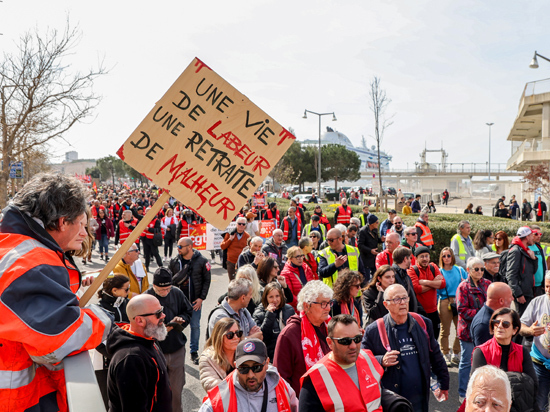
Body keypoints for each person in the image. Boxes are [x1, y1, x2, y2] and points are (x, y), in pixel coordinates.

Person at [0, 172, 116, 411]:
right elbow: (62, 336)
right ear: (62, 222)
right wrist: (105, 317)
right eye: (82, 224)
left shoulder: (14, 245)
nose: (85, 233)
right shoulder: (32, 260)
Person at [361, 284, 450, 412]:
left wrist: (444, 383)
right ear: (386, 305)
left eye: (404, 298)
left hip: (420, 397)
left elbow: (435, 355)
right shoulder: (374, 330)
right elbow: (362, 362)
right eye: (397, 299)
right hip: (393, 400)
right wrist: (381, 360)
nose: (402, 302)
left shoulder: (423, 322)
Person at [299, 314, 383, 411]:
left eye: (357, 339)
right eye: (345, 341)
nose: (353, 346)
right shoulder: (315, 378)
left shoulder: (368, 358)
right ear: (330, 343)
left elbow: (378, 394)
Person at [107, 294, 171, 412]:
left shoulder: (148, 339)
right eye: (158, 313)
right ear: (139, 320)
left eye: (162, 310)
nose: (163, 315)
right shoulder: (131, 359)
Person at [199, 338, 298, 412]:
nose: (250, 375)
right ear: (235, 366)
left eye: (257, 368)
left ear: (267, 363)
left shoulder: (281, 387)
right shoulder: (220, 398)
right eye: (244, 369)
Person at [145, 268, 193, 412]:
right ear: (154, 286)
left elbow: (188, 311)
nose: (165, 292)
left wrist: (181, 320)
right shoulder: (146, 298)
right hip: (154, 351)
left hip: (176, 348)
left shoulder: (177, 293)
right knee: (155, 391)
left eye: (168, 288)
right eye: (161, 290)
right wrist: (165, 328)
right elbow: (141, 327)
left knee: (176, 390)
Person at [273, 280, 333, 396]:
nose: (328, 308)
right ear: (307, 305)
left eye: (329, 303)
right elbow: (281, 378)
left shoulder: (330, 326)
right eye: (323, 304)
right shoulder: (289, 334)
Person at [472, 308, 538, 412]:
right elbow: (476, 388)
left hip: (518, 407)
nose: (499, 326)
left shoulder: (522, 351)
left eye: (505, 324)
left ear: (515, 330)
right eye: (496, 322)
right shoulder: (481, 352)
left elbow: (533, 385)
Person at [456, 257, 491, 402]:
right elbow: (462, 310)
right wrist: (483, 314)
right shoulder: (463, 287)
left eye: (482, 269)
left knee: (485, 361)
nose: (480, 271)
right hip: (468, 331)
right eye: (476, 269)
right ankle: (463, 392)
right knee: (466, 361)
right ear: (469, 270)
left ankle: (481, 389)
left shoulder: (488, 284)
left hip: (486, 330)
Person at [520, 272, 550, 410]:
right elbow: (520, 326)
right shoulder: (537, 302)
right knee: (539, 402)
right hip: (539, 363)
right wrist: (530, 331)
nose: (548, 290)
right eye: (547, 286)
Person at [438, 247, 467, 366]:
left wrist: (463, 281)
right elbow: (436, 290)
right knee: (445, 330)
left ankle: (456, 353)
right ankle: (445, 353)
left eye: (448, 255)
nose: (446, 258)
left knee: (461, 329)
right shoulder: (439, 272)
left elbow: (468, 283)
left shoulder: (459, 270)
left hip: (459, 300)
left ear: (452, 257)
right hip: (445, 300)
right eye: (444, 256)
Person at [407, 246, 446, 338]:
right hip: (420, 312)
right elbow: (417, 289)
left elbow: (443, 284)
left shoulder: (433, 267)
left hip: (434, 311)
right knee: (422, 338)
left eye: (427, 256)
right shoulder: (412, 270)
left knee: (434, 337)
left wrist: (425, 282)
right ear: (416, 258)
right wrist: (434, 282)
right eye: (422, 256)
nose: (425, 259)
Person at [253, 282, 295, 360]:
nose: (275, 300)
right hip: (272, 355)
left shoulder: (289, 309)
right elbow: (263, 336)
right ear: (266, 298)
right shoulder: (259, 313)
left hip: (290, 352)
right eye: (271, 297)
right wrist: (269, 315)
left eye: (277, 296)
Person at [199, 317, 242, 392]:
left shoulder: (245, 351)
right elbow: (211, 385)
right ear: (219, 337)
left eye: (238, 333)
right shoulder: (207, 358)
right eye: (230, 335)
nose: (236, 337)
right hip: (224, 401)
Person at [505, 226, 538, 318]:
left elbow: (533, 271)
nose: (533, 238)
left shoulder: (525, 250)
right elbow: (511, 275)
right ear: (527, 237)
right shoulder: (516, 251)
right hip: (522, 294)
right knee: (522, 320)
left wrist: (534, 259)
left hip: (528, 292)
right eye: (532, 235)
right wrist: (518, 294)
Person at [470, 282, 514, 347]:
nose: (513, 299)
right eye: (510, 297)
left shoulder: (494, 316)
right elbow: (485, 354)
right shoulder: (483, 324)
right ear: (501, 301)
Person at [280, 246, 315, 310]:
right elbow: (290, 296)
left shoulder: (306, 268)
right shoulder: (285, 273)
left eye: (301, 256)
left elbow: (313, 286)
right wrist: (303, 303)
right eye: (297, 257)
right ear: (290, 258)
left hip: (310, 305)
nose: (300, 258)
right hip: (297, 308)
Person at [391, 246, 423, 313]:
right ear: (405, 259)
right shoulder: (392, 276)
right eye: (410, 258)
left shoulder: (404, 274)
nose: (411, 261)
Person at [221, 216, 250, 281]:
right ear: (236, 224)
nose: (241, 225)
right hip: (231, 261)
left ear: (245, 225)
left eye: (243, 224)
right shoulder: (229, 234)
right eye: (239, 224)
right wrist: (230, 239)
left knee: (242, 281)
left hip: (242, 262)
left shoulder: (247, 236)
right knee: (232, 281)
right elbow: (222, 246)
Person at [529, 225, 547, 297]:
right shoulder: (525, 247)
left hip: (539, 286)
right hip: (529, 286)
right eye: (536, 234)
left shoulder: (539, 247)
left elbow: (543, 265)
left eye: (540, 234)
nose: (539, 236)